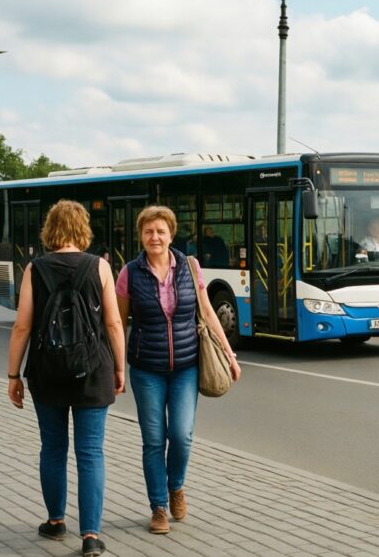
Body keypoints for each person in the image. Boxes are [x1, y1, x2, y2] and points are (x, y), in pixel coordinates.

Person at [6, 200, 126, 557]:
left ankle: (56, 522)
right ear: (83, 228)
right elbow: (113, 323)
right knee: (90, 453)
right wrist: (120, 368)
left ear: (50, 229)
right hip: (93, 370)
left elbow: (22, 325)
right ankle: (90, 536)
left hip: (47, 371)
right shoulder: (100, 267)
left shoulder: (35, 269)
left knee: (53, 448)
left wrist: (13, 374)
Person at [116, 206, 241, 535]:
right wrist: (115, 366)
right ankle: (158, 507)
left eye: (160, 231)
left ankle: (177, 486)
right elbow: (117, 323)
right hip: (146, 369)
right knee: (153, 440)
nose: (154, 237)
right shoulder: (130, 272)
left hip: (186, 366)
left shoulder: (190, 266)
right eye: (148, 231)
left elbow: (209, 314)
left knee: (182, 436)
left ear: (171, 235)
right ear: (141, 236)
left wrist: (229, 353)